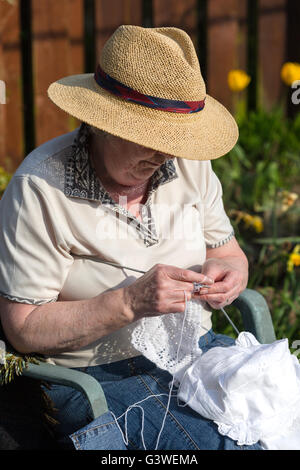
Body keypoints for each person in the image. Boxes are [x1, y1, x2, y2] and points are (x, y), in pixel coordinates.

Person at [0, 25, 263, 450]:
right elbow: (24, 328)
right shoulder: (40, 187)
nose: (165, 153)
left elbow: (227, 251)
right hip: (99, 375)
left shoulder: (190, 167)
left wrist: (229, 274)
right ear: (103, 123)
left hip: (196, 348)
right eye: (152, 137)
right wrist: (129, 302)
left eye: (175, 138)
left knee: (276, 422)